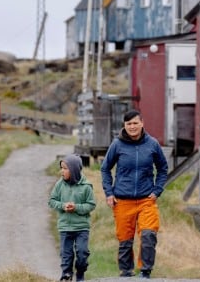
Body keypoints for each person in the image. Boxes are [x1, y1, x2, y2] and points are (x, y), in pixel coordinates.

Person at [100, 110, 169, 279]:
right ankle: (126, 272)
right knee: (125, 240)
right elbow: (105, 168)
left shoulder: (152, 144)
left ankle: (145, 271)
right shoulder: (117, 145)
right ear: (124, 126)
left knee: (148, 235)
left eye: (135, 123)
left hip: (147, 200)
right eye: (129, 124)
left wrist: (157, 190)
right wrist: (109, 193)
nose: (132, 127)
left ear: (142, 123)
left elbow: (163, 168)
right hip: (123, 200)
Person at [48, 154, 96, 281]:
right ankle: (66, 275)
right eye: (61, 168)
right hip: (65, 226)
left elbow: (91, 205)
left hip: (81, 227)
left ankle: (80, 273)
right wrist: (63, 206)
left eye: (65, 168)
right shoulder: (59, 185)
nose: (61, 171)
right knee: (66, 254)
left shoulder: (86, 186)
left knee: (82, 253)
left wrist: (77, 207)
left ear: (74, 170)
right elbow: (52, 201)